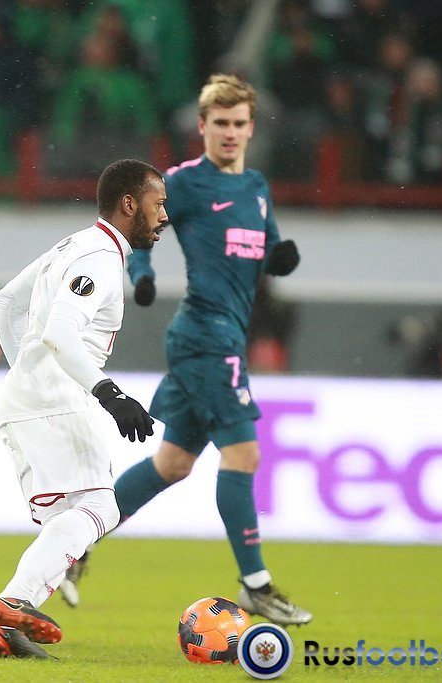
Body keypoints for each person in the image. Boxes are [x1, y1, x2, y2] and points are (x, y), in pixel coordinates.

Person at [58, 75, 311, 627]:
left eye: (239, 123)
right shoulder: (185, 183)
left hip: (228, 334)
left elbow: (267, 245)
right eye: (220, 123)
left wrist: (280, 257)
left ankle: (74, 541)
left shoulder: (257, 186)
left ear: (251, 128)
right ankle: (256, 585)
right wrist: (143, 274)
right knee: (244, 455)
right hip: (205, 334)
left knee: (172, 463)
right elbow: (138, 227)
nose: (230, 132)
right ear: (202, 126)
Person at [0, 159, 167, 659]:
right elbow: (60, 332)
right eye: (158, 204)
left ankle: (4, 626)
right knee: (102, 507)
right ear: (129, 204)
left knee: (67, 519)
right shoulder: (101, 258)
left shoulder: (72, 245)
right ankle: (13, 603)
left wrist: (27, 374)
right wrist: (111, 395)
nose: (164, 215)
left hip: (26, 398)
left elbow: (4, 303)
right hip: (54, 399)